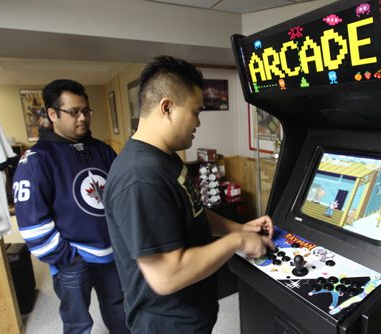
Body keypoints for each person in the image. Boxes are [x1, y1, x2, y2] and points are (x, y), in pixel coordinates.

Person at [104, 55, 275, 333]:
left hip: (191, 313)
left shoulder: (165, 157)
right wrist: (236, 241)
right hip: (167, 324)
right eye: (195, 111)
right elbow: (166, 276)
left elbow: (192, 210)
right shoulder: (140, 178)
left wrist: (239, 227)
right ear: (167, 107)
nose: (198, 122)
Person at [13, 79, 129, 334]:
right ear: (52, 114)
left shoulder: (103, 150)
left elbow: (121, 196)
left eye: (86, 111)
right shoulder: (36, 160)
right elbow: (32, 226)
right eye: (73, 112)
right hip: (72, 260)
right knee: (77, 323)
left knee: (119, 309)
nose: (83, 118)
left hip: (112, 255)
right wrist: (69, 259)